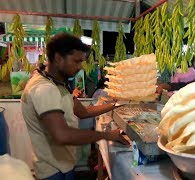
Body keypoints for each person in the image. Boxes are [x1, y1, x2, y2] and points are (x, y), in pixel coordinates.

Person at [21, 33, 129, 180]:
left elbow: (83, 112)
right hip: (54, 171)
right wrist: (107, 135)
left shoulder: (58, 84)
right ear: (58, 58)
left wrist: (117, 104)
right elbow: (63, 135)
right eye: (76, 61)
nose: (80, 67)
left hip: (63, 165)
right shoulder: (44, 89)